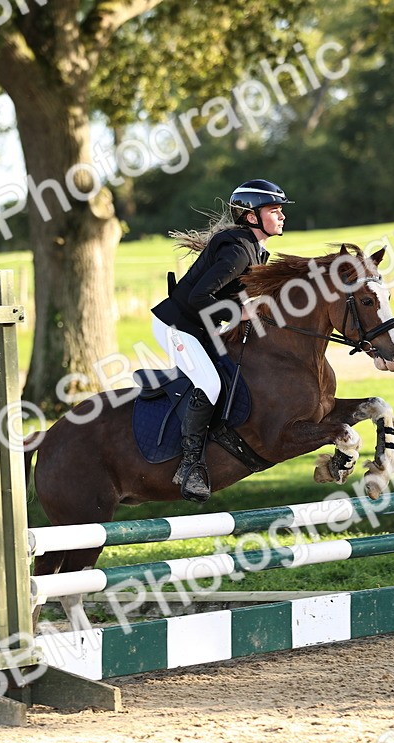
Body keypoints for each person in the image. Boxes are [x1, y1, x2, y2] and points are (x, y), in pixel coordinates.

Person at [151, 179, 292, 502]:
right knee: (210, 385)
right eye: (274, 210)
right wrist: (238, 312)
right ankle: (190, 466)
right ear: (251, 216)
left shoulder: (254, 249)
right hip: (177, 327)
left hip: (201, 326)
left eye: (281, 211)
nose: (282, 216)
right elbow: (202, 296)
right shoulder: (238, 251)